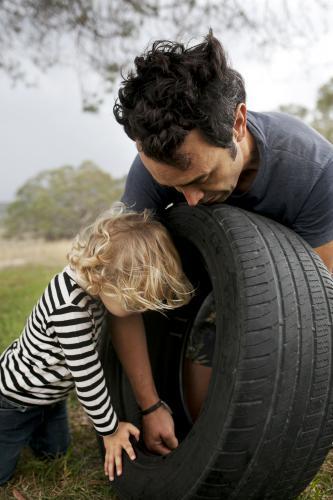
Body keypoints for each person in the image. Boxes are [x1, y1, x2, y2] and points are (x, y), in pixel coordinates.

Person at [113, 30, 333, 445]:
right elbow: (121, 298)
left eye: (201, 179)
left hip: (280, 301)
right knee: (200, 421)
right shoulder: (153, 171)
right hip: (198, 291)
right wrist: (149, 404)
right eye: (175, 189)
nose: (191, 201)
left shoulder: (315, 172)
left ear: (237, 123)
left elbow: (316, 314)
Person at [0, 205, 193, 486]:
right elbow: (88, 378)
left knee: (55, 453)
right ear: (103, 277)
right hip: (16, 398)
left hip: (52, 399)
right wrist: (110, 430)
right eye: (133, 303)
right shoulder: (70, 311)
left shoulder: (95, 279)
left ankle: (37, 432)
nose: (136, 311)